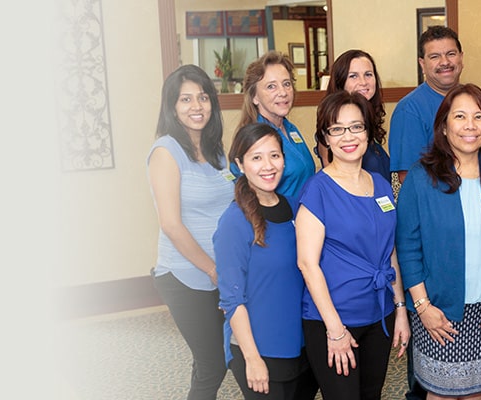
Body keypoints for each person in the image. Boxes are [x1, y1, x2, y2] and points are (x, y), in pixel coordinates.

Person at [396, 83, 481, 400]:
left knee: (476, 392)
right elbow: (408, 246)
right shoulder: (421, 176)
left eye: (479, 117)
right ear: (444, 126)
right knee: (439, 393)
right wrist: (422, 306)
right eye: (460, 116)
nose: (470, 126)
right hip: (437, 312)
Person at [296, 91, 410, 400]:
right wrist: (334, 329)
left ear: (368, 132)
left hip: (380, 312)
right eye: (337, 129)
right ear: (326, 138)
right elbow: (307, 263)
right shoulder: (318, 189)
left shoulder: (381, 185)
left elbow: (391, 253)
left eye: (357, 127)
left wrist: (400, 309)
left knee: (371, 395)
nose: (349, 136)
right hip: (334, 318)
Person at [147, 64, 234, 400]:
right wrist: (213, 269)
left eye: (203, 97)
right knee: (212, 363)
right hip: (185, 276)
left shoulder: (215, 150)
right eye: (186, 99)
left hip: (219, 272)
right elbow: (170, 224)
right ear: (172, 106)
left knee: (216, 361)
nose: (196, 106)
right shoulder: (166, 151)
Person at [216, 123, 319, 400]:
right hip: (259, 349)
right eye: (256, 157)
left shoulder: (294, 207)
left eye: (274, 155)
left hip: (299, 344)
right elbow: (231, 300)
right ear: (239, 163)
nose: (268, 166)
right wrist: (252, 359)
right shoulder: (234, 222)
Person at [239, 52, 318, 201]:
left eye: (287, 84)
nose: (283, 92)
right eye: (271, 86)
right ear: (255, 97)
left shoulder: (289, 128)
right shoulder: (253, 139)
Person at [390, 25, 464, 183]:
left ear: (461, 58)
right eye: (435, 56)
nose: (445, 62)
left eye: (451, 54)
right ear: (422, 64)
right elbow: (409, 178)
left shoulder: (474, 101)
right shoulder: (409, 110)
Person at [326, 49, 391, 178]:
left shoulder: (369, 118)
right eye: (353, 76)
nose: (363, 82)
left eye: (368, 74)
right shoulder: (331, 126)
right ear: (340, 82)